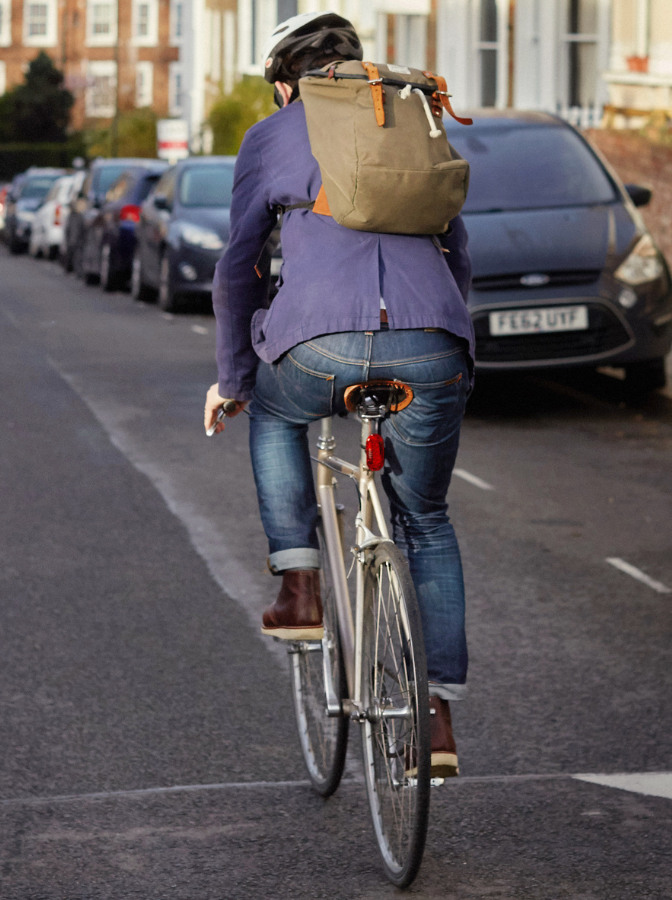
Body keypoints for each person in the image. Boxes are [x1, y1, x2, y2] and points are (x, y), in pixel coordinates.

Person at [203, 10, 475, 778]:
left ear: (286, 83)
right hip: (433, 346)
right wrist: (459, 357)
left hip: (316, 347)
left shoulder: (273, 135)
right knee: (426, 520)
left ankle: (299, 587)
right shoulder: (411, 110)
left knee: (274, 411)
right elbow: (457, 249)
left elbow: (239, 267)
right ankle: (437, 719)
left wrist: (232, 379)